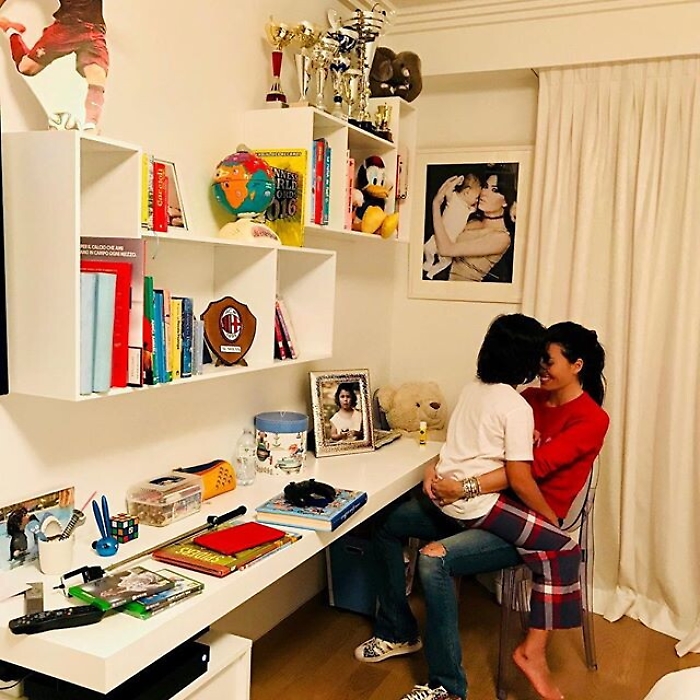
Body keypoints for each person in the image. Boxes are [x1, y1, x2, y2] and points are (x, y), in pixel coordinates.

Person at [355, 320, 609, 700]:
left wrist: (465, 486)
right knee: (385, 523)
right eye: (539, 358)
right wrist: (437, 466)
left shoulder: (591, 419)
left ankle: (449, 685)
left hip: (524, 513)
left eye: (549, 360)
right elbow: (474, 445)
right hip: (482, 505)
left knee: (433, 562)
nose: (541, 367)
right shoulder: (525, 398)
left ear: (577, 366)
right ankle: (398, 631)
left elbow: (527, 473)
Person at [0, 0, 109, 131]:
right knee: (26, 67)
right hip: (67, 26)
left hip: (94, 30)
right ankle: (11, 29)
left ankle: (90, 125)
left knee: (97, 74)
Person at [431, 167, 517, 283]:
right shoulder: (471, 219)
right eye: (485, 187)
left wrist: (436, 205)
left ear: (505, 201)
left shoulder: (501, 237)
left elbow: (446, 249)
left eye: (494, 190)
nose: (484, 193)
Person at [422, 172, 481, 281]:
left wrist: (475, 204)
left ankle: (432, 272)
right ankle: (429, 262)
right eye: (476, 197)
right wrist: (456, 181)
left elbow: (476, 208)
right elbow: (447, 191)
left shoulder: (469, 208)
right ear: (467, 192)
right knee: (427, 248)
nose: (476, 200)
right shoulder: (454, 197)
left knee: (446, 262)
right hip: (438, 236)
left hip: (450, 242)